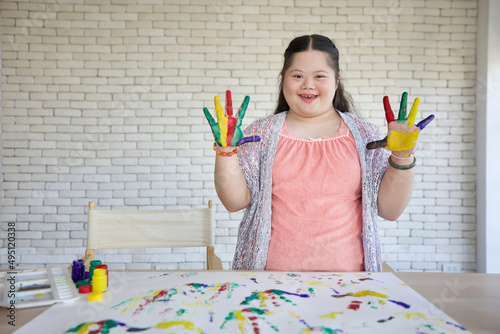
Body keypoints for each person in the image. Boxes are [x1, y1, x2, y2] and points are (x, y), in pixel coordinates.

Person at [203, 34, 434, 272]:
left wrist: (402, 156)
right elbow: (234, 202)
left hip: (349, 286)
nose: (308, 85)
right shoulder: (260, 134)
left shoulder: (366, 137)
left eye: (319, 76)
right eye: (298, 76)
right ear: (284, 79)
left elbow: (390, 211)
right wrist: (226, 151)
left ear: (336, 81)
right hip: (268, 285)